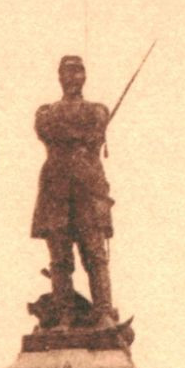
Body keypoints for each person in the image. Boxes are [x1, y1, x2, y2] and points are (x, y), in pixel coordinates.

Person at [33, 55, 117, 329]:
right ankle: (64, 314)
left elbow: (90, 125)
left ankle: (104, 312)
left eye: (78, 73)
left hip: (88, 189)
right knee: (59, 257)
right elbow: (48, 130)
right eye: (68, 73)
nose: (73, 79)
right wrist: (81, 136)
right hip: (56, 191)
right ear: (60, 77)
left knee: (94, 253)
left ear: (84, 77)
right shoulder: (46, 113)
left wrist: (75, 137)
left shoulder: (97, 111)